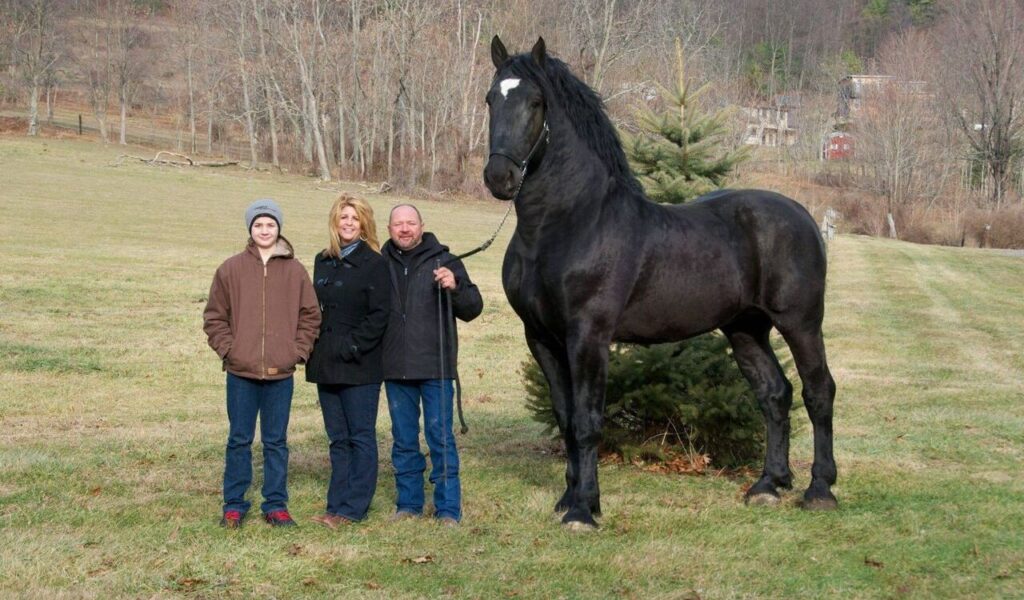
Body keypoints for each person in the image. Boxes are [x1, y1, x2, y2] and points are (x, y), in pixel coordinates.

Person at [203, 199, 320, 529]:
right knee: (239, 439)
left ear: (279, 228)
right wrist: (230, 351)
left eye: (270, 225)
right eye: (258, 225)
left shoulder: (295, 271)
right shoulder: (231, 269)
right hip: (241, 372)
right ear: (250, 229)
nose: (264, 230)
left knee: (275, 441)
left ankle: (275, 504)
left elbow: (310, 316)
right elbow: (214, 317)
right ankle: (234, 504)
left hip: (280, 373)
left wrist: (296, 352)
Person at [381, 204, 483, 526]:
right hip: (395, 368)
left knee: (440, 437)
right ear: (389, 228)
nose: (405, 229)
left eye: (410, 223)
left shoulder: (445, 260)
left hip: (436, 367)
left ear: (422, 226)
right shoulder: (379, 263)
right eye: (398, 224)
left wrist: (456, 286)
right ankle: (408, 504)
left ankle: (448, 509)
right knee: (403, 440)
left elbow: (474, 308)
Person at [305, 195, 390, 528]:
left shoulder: (375, 263)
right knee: (338, 438)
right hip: (325, 362)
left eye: (355, 218)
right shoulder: (323, 260)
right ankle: (335, 504)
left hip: (359, 364)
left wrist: (353, 346)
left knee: (360, 436)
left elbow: (380, 315)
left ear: (364, 223)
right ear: (335, 222)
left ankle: (354, 508)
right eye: (344, 217)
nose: (349, 223)